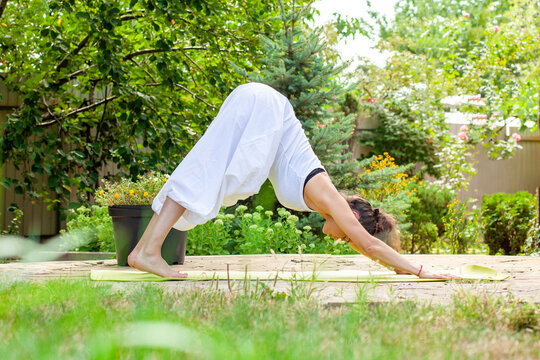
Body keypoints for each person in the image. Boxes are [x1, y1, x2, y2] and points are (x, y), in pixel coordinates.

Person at [127, 83, 457, 279]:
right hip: (266, 107)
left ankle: (145, 250)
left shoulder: (324, 201)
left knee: (210, 173)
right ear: (353, 218)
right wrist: (417, 270)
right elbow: (369, 244)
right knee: (213, 176)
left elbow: (365, 245)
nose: (341, 241)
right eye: (347, 237)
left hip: (258, 102)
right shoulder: (332, 200)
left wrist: (397, 267)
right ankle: (149, 251)